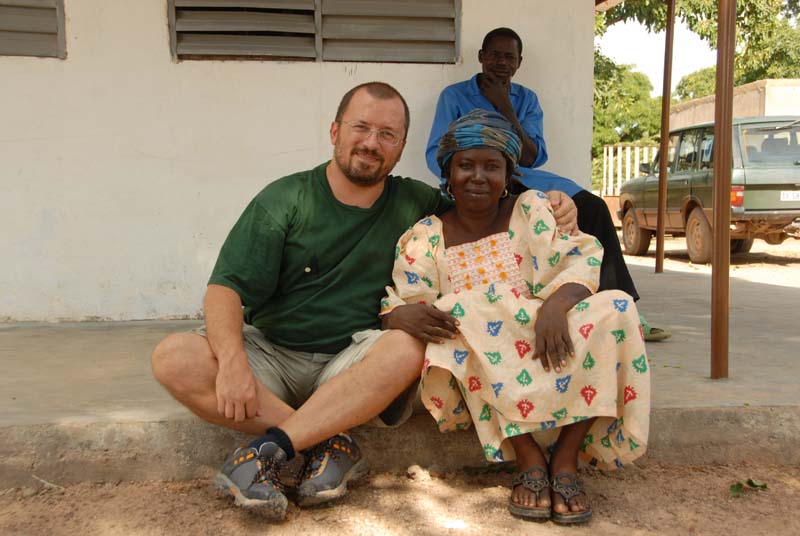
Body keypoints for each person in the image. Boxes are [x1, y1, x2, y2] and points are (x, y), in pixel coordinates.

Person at [151, 82, 578, 520]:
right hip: (273, 353)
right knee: (174, 358)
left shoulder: (419, 203)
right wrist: (233, 362)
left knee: (407, 346)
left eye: (387, 135)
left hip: (355, 360)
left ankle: (269, 448)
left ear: (401, 147)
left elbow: (486, 202)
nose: (372, 143)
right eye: (361, 127)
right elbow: (225, 288)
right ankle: (327, 441)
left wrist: (555, 205)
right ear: (335, 131)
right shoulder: (285, 198)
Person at [385, 109, 650, 524]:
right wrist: (398, 314)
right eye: (465, 165)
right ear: (448, 174)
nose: (478, 176)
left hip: (550, 336)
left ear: (508, 174)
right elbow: (410, 299)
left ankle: (565, 458)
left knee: (618, 306)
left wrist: (555, 307)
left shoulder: (531, 209)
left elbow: (581, 259)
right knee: (455, 312)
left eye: (492, 166)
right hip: (489, 356)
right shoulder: (426, 236)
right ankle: (527, 457)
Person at [425, 27, 670, 341]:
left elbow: (531, 156)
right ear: (481, 57)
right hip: (484, 180)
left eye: (509, 57)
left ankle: (623, 304)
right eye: (495, 55)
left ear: (519, 62)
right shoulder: (455, 96)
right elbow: (436, 153)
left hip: (525, 177)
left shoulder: (526, 99)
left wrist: (505, 105)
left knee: (593, 206)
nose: (501, 62)